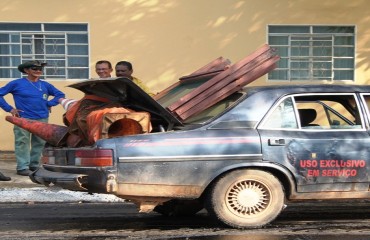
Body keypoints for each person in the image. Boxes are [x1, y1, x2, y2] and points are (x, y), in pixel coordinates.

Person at [0, 60, 65, 176]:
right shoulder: (16, 83)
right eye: (34, 69)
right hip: (23, 119)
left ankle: (34, 165)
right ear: (26, 70)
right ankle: (22, 167)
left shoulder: (45, 85)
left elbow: (60, 95)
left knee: (39, 142)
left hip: (42, 118)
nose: (38, 71)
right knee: (22, 142)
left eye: (40, 69)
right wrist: (10, 109)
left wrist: (49, 104)